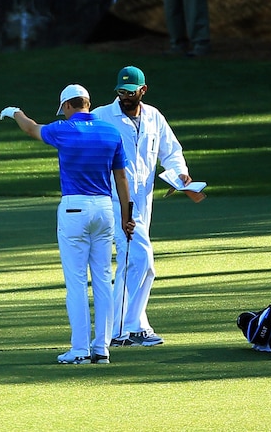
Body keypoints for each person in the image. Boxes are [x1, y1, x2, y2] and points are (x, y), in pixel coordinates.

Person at [0, 84, 133, 364]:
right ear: (88, 103)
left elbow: (31, 128)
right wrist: (127, 216)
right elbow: (121, 178)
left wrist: (16, 112)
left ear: (68, 106)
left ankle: (80, 349)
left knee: (76, 283)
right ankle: (102, 348)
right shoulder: (111, 132)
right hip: (104, 209)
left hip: (74, 208)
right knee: (103, 282)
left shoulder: (63, 129)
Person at [91, 66, 193, 347]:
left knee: (134, 264)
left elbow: (171, 152)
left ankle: (126, 328)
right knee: (140, 261)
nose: (124, 96)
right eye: (120, 91)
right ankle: (125, 329)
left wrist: (178, 175)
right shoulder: (101, 116)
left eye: (129, 91)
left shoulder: (154, 117)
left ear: (142, 90)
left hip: (144, 201)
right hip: (115, 201)